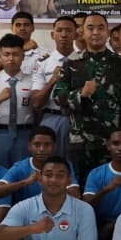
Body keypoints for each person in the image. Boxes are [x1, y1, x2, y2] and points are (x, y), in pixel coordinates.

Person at [52, 13, 121, 184]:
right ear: (82, 32)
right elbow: (58, 96)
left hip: (113, 143)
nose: (95, 32)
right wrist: (80, 94)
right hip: (81, 141)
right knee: (80, 186)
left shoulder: (120, 64)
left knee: (111, 186)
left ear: (108, 32)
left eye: (100, 28)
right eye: (90, 28)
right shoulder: (71, 62)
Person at [0, 34, 35, 166]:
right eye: (6, 54)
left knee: (24, 173)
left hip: (25, 134)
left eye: (16, 54)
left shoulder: (32, 81)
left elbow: (39, 111)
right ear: (0, 56)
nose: (11, 59)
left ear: (23, 56)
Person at [0, 127, 81, 203]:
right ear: (29, 146)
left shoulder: (64, 166)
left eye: (47, 145)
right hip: (27, 215)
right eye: (37, 145)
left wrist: (53, 183)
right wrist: (25, 182)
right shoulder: (20, 167)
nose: (41, 149)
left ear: (54, 147)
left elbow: (76, 197)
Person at [30, 16, 77, 157]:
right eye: (59, 30)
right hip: (51, 118)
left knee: (75, 162)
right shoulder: (43, 63)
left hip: (78, 119)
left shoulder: (85, 60)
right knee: (48, 162)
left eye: (68, 31)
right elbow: (36, 102)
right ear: (52, 35)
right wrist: (52, 80)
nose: (64, 35)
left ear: (76, 34)